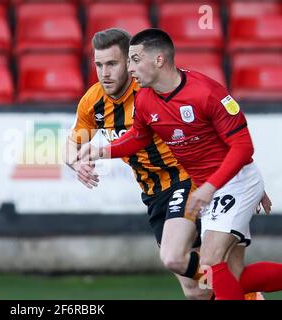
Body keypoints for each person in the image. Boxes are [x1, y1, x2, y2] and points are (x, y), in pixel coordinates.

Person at [79, 28, 282, 300]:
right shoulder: (146, 99)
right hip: (210, 187)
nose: (130, 68)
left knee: (210, 262)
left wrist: (218, 187)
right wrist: (102, 151)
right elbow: (138, 138)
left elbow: (243, 146)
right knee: (231, 277)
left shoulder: (206, 92)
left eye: (135, 60)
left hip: (230, 184)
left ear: (159, 60)